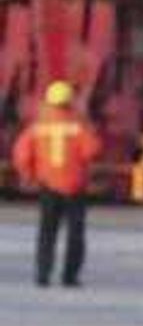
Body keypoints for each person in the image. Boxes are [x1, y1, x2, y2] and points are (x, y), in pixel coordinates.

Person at [13, 80, 97, 289]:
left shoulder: (38, 126)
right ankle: (69, 276)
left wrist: (28, 175)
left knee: (46, 232)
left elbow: (21, 154)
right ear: (70, 102)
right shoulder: (77, 126)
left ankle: (43, 274)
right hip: (75, 187)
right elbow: (93, 150)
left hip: (48, 186)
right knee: (75, 234)